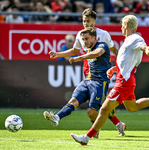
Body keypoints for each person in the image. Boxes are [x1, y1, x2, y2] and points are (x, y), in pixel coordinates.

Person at [70, 14, 149, 145]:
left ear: (126, 25)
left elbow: (142, 45)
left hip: (124, 82)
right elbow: (126, 62)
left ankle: (86, 138)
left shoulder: (134, 38)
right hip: (126, 80)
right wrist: (114, 69)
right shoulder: (127, 40)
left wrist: (147, 50)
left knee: (104, 109)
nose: (121, 28)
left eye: (122, 25)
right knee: (133, 107)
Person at [43, 8, 126, 138]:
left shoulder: (103, 35)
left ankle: (113, 124)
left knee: (99, 108)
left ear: (94, 20)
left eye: (88, 21)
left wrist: (120, 66)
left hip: (100, 77)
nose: (86, 23)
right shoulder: (80, 34)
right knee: (82, 102)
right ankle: (57, 117)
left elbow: (113, 50)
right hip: (88, 74)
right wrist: (58, 54)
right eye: (83, 21)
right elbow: (74, 50)